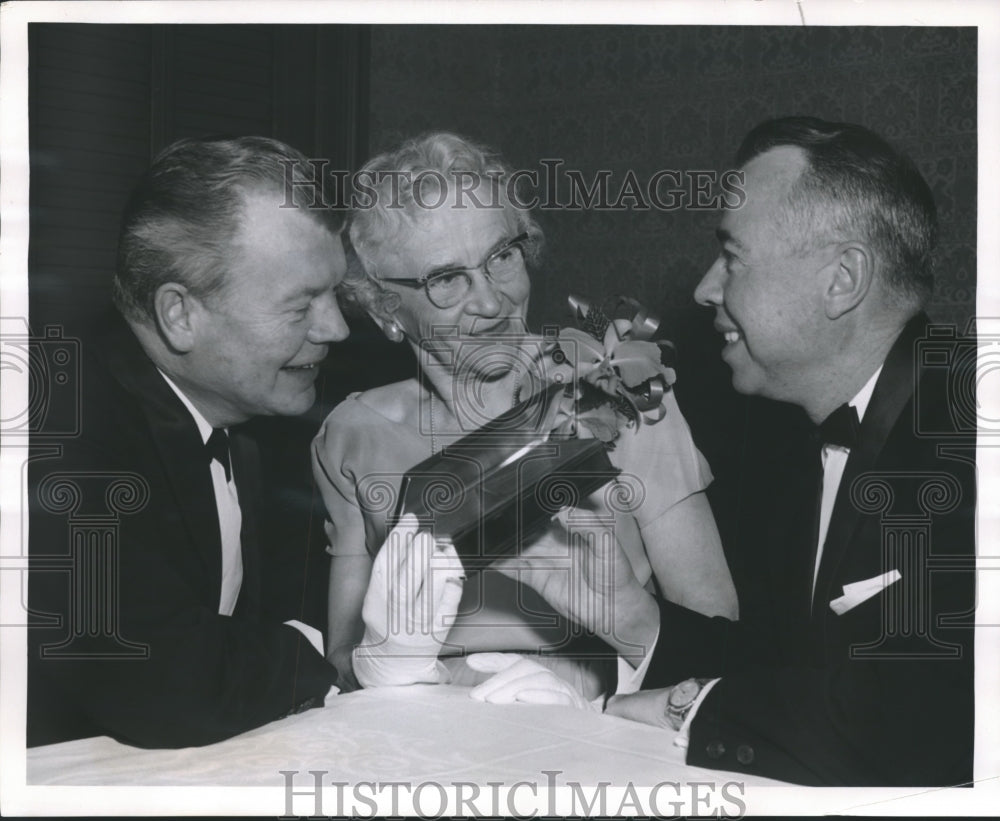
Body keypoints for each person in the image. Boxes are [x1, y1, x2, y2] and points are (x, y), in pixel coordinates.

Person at [383, 117, 977, 786]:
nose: (704, 288)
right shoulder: (791, 448)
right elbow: (789, 667)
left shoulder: (971, 427)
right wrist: (634, 619)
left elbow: (933, 714)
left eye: (732, 255)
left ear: (842, 279)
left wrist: (687, 704)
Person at [313, 132, 737, 693]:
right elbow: (344, 656)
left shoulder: (620, 391)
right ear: (385, 310)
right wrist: (427, 677)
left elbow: (717, 639)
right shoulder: (351, 436)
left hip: (604, 735)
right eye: (446, 279)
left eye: (502, 257)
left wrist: (566, 686)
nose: (491, 302)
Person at [27, 136, 356, 748]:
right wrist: (330, 653)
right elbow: (167, 685)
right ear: (179, 316)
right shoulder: (62, 438)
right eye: (301, 305)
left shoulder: (238, 415)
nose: (334, 327)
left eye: (335, 293)